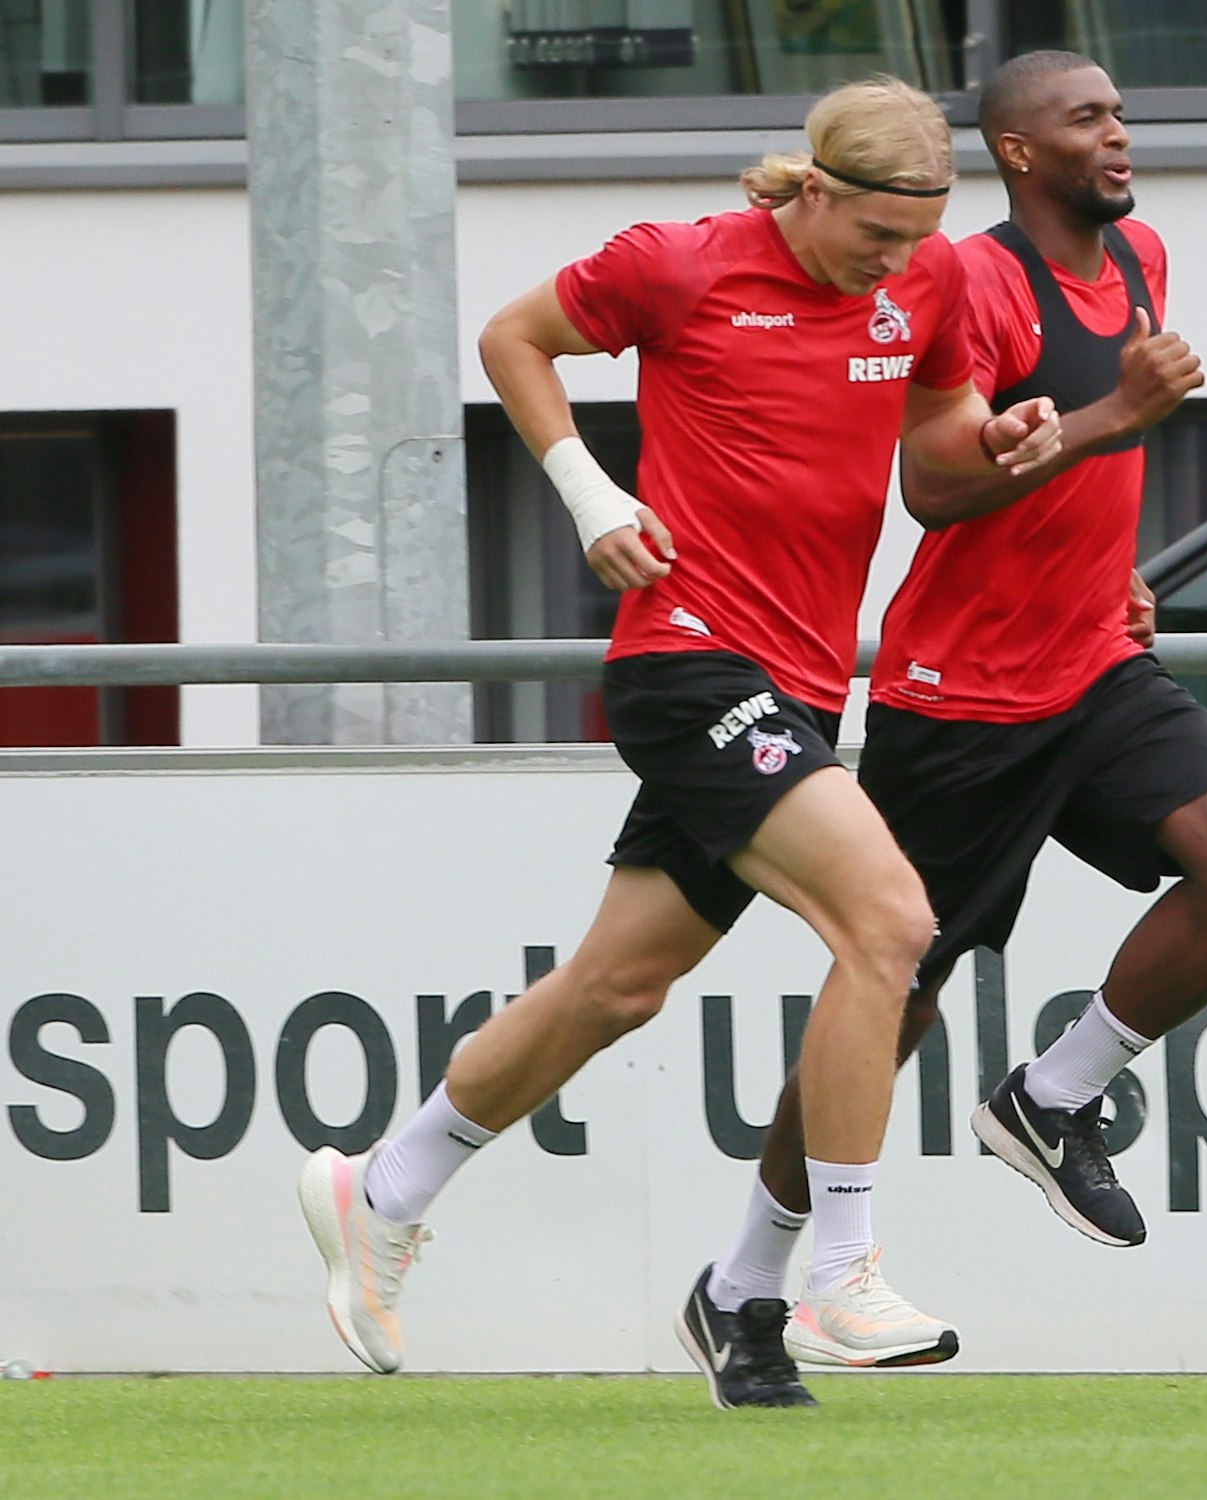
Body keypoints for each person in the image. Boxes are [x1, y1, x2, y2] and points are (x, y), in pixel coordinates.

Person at [295, 75, 1061, 1411]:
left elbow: (933, 432)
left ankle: (387, 1186)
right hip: (687, 658)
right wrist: (591, 494)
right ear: (813, 188)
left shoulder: (927, 282)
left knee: (613, 990)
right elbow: (513, 337)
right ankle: (834, 1270)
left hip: (801, 687)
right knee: (890, 924)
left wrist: (991, 438)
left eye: (916, 239)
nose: (899, 262)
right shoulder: (680, 265)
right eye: (877, 236)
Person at [702, 50, 1207, 1374]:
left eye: (1122, 112)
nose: (1119, 133)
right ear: (1023, 153)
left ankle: (1054, 1095)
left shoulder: (1141, 255)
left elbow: (1078, 482)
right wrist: (1116, 414)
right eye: (1088, 118)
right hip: (961, 697)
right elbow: (934, 486)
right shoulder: (968, 278)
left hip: (1093, 664)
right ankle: (746, 1284)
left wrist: (1119, 568)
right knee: (895, 997)